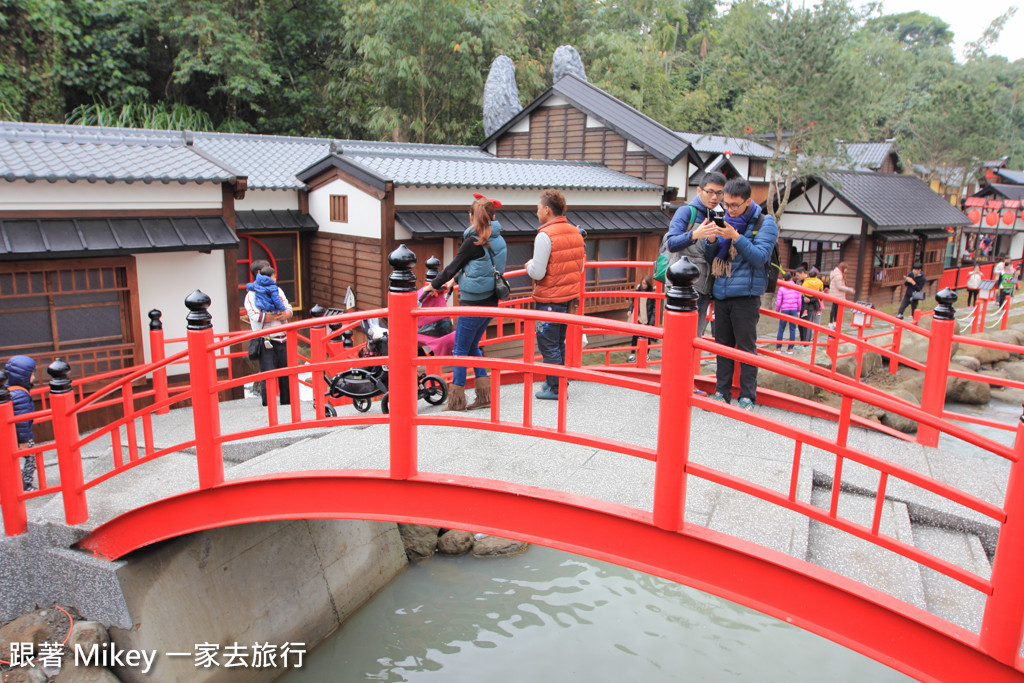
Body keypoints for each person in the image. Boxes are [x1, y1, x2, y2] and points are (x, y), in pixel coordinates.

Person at [423, 194, 507, 411]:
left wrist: (433, 285)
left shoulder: (474, 240)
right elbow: (481, 268)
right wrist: (454, 280)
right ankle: (483, 396)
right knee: (472, 346)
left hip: (472, 304)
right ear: (492, 216)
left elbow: (453, 265)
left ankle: (457, 401)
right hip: (491, 303)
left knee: (460, 350)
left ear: (472, 217)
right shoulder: (499, 239)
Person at [702, 177, 778, 410]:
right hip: (721, 293)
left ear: (748, 201)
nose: (730, 210)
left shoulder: (765, 223)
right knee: (722, 346)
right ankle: (721, 391)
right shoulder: (722, 216)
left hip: (746, 295)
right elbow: (711, 257)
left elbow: (759, 257)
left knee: (746, 347)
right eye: (726, 204)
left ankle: (747, 395)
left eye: (735, 205)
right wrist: (713, 239)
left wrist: (735, 236)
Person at [527, 188, 585, 400]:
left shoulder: (545, 235)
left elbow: (538, 272)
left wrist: (528, 266)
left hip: (550, 298)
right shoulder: (575, 232)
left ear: (547, 210)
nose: (537, 212)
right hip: (568, 297)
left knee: (548, 344)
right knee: (558, 342)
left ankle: (556, 388)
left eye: (538, 208)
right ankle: (556, 381)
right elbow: (579, 268)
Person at [666, 171, 726, 337]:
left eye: (719, 193)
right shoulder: (686, 212)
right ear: (699, 191)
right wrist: (693, 235)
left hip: (705, 286)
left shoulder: (717, 216)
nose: (715, 197)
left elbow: (710, 257)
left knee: (695, 337)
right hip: (681, 286)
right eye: (710, 192)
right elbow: (671, 243)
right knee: (679, 336)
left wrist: (712, 242)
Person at [244, 260, 293, 406]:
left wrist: (287, 314)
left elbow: (288, 307)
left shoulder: (277, 290)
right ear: (259, 274)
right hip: (265, 339)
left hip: (283, 338)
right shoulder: (251, 294)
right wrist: (276, 315)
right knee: (268, 375)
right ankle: (269, 406)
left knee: (286, 374)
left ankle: (287, 404)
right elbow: (254, 315)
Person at [5, 355, 38, 491]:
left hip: (9, 435)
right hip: (18, 436)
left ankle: (14, 483)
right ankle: (25, 484)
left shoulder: (9, 390)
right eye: (32, 374)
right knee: (31, 458)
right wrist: (24, 440)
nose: (34, 377)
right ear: (25, 376)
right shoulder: (20, 394)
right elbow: (22, 420)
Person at [627, 276, 657, 362]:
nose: (643, 285)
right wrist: (630, 309)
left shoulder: (652, 294)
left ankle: (646, 354)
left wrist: (651, 322)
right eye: (642, 283)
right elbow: (634, 303)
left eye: (645, 284)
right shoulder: (638, 291)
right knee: (635, 336)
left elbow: (654, 309)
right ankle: (632, 354)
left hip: (647, 318)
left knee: (647, 338)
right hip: (639, 317)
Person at [775, 272, 801, 354]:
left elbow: (778, 302)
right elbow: (799, 300)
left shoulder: (782, 288)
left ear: (783, 279)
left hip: (784, 309)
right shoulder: (796, 287)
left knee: (781, 328)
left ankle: (778, 348)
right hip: (794, 309)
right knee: (793, 329)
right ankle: (790, 349)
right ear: (791, 278)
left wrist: (777, 311)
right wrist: (799, 310)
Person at [799, 267, 824, 342]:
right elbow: (821, 292)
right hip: (816, 300)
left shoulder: (806, 282)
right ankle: (813, 339)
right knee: (815, 322)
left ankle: (806, 341)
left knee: (808, 322)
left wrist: (805, 296)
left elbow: (802, 292)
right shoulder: (819, 282)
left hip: (807, 300)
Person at [827, 262, 854, 328]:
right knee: (835, 308)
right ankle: (832, 322)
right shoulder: (838, 276)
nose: (846, 270)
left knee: (835, 308)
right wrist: (848, 289)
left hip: (836, 293)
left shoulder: (836, 274)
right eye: (846, 269)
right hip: (837, 294)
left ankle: (834, 321)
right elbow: (839, 286)